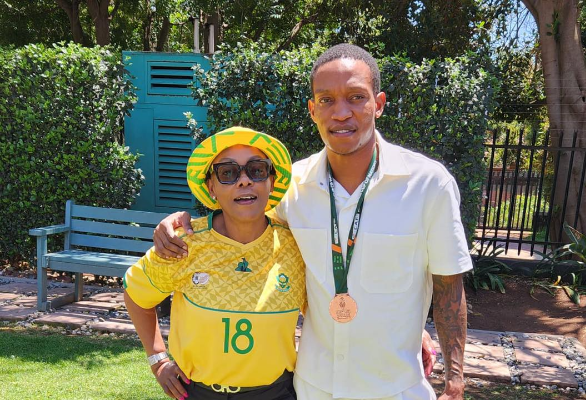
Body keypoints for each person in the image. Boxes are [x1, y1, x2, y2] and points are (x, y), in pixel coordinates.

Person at [154, 44, 471, 399]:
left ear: (378, 104)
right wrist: (182, 223)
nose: (340, 113)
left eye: (355, 97)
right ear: (312, 110)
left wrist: (455, 380)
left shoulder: (429, 184)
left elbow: (448, 286)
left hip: (397, 388)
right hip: (312, 388)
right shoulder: (291, 187)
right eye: (326, 100)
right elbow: (239, 221)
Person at [124, 126, 306, 400]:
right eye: (228, 173)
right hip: (198, 393)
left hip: (276, 393)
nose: (244, 181)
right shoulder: (184, 244)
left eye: (256, 170)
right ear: (211, 187)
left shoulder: (298, 247)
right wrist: (158, 360)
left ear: (271, 180)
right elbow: (136, 296)